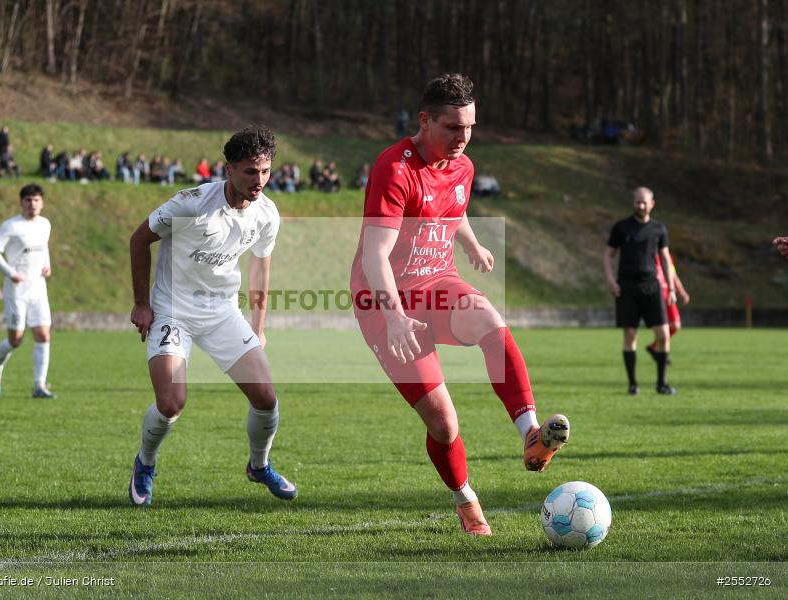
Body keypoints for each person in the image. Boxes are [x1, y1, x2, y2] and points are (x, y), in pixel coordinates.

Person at [349, 74, 569, 537]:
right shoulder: (394, 168)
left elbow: (454, 207)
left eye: (469, 126)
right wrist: (392, 318)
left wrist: (470, 243)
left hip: (437, 283)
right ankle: (466, 499)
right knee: (445, 424)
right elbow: (374, 255)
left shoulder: (462, 165)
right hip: (383, 298)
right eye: (452, 127)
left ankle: (530, 434)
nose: (463, 137)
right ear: (425, 120)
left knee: (492, 322)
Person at [127, 125, 296, 506]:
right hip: (173, 311)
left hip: (221, 313)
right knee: (171, 403)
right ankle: (146, 463)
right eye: (251, 171)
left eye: (266, 171)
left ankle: (258, 465)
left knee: (266, 397)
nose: (260, 180)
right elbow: (140, 240)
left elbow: (260, 269)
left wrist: (259, 326)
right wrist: (141, 303)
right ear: (230, 169)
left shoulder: (267, 214)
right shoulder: (190, 204)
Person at [604, 187, 677, 396]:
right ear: (633, 203)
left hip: (652, 286)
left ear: (652, 203)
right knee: (629, 334)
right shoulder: (621, 228)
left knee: (663, 334)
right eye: (638, 202)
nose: (641, 206)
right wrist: (610, 280)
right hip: (627, 287)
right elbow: (608, 255)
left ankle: (662, 383)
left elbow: (665, 259)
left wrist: (671, 287)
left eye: (644, 202)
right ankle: (633, 384)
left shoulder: (659, 229)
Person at [0, 184, 57, 399]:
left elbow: (44, 247)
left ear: (42, 203)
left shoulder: (45, 224)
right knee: (16, 339)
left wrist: (47, 264)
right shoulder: (11, 226)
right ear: (21, 202)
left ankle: (39, 385)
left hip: (38, 288)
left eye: (36, 200)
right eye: (28, 200)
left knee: (43, 334)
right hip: (17, 289)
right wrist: (9, 272)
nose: (32, 204)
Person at [645, 252, 689, 364]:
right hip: (655, 295)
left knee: (676, 325)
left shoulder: (667, 255)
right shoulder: (649, 253)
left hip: (668, 294)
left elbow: (673, 276)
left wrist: (682, 292)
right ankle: (661, 355)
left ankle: (654, 347)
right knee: (661, 329)